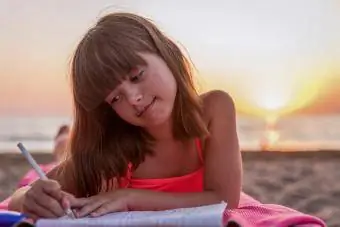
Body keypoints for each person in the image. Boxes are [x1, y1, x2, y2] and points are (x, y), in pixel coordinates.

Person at [7, 12, 325, 226]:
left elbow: (224, 198)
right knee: (61, 160)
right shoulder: (113, 144)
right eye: (114, 98)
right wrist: (31, 198)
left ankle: (63, 141)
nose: (132, 98)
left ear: (165, 52)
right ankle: (63, 144)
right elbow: (20, 199)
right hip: (84, 158)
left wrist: (129, 197)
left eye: (136, 75)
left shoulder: (214, 108)